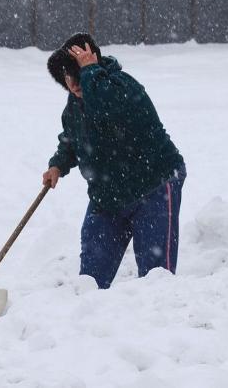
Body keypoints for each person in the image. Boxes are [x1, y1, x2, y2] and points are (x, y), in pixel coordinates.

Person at [43, 33, 186, 289]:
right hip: (107, 195)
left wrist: (90, 70)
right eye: (66, 76)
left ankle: (156, 324)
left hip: (153, 185)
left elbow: (103, 107)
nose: (72, 83)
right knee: (90, 280)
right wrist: (57, 165)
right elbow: (72, 139)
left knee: (156, 280)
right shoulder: (74, 105)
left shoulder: (122, 87)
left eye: (76, 73)